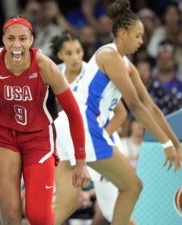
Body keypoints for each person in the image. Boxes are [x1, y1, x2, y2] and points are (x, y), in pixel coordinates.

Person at [54, 1, 182, 225]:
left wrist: (176, 144)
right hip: (82, 126)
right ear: (121, 33)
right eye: (137, 36)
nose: (141, 41)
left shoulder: (127, 65)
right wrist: (165, 144)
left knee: (68, 202)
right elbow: (135, 105)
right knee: (132, 186)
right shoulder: (109, 55)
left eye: (142, 36)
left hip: (65, 127)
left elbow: (151, 106)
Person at [0, 17, 91, 225]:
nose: (16, 45)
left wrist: (81, 162)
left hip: (38, 138)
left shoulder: (46, 66)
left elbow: (74, 113)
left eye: (22, 38)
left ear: (31, 40)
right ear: (3, 40)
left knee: (37, 215)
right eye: (10, 38)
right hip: (3, 135)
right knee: (10, 215)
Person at [50, 32, 136, 225]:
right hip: (71, 143)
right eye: (69, 53)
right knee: (65, 202)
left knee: (112, 211)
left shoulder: (93, 72)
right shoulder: (54, 74)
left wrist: (97, 139)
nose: (75, 57)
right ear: (60, 55)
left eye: (78, 51)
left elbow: (121, 113)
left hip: (101, 141)